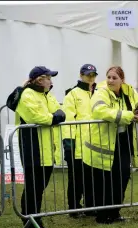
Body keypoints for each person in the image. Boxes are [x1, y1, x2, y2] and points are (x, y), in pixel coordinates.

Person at [82, 66, 138, 224]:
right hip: (104, 144)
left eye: (114, 78)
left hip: (124, 142)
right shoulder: (101, 91)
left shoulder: (129, 91)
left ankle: (115, 212)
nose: (110, 80)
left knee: (122, 177)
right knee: (104, 181)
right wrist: (127, 115)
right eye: (109, 77)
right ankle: (102, 215)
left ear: (122, 80)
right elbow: (100, 111)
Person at [7, 66, 65, 228]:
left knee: (39, 188)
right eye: (49, 78)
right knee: (33, 188)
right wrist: (53, 118)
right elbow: (35, 117)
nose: (51, 81)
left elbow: (61, 111)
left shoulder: (47, 95)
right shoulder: (27, 95)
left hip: (46, 151)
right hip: (32, 148)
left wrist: (54, 116)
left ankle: (34, 221)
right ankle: (30, 223)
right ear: (40, 80)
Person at [62, 64, 98, 218]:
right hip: (77, 145)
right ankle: (74, 208)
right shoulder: (72, 94)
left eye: (93, 75)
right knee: (76, 178)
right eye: (88, 75)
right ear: (81, 75)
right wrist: (68, 143)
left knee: (91, 177)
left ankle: (90, 206)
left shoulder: (98, 94)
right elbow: (68, 120)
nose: (90, 78)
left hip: (94, 144)